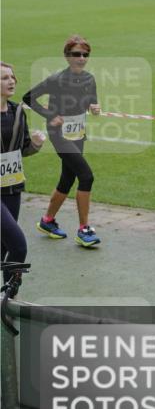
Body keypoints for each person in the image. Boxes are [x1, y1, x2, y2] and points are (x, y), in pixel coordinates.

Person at [23, 35, 101, 248]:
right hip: (59, 134)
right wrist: (49, 115)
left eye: (85, 54)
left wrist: (95, 107)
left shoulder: (89, 78)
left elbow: (92, 101)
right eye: (77, 54)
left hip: (78, 133)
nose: (82, 58)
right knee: (86, 176)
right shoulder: (56, 79)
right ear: (67, 56)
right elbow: (28, 97)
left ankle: (47, 221)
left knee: (68, 178)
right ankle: (84, 229)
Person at [1, 62, 46, 296]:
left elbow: (22, 149)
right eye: (4, 78)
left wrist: (35, 145)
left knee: (4, 248)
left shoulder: (18, 111)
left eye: (12, 77)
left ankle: (8, 301)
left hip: (13, 188)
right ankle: (9, 294)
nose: (11, 81)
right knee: (18, 244)